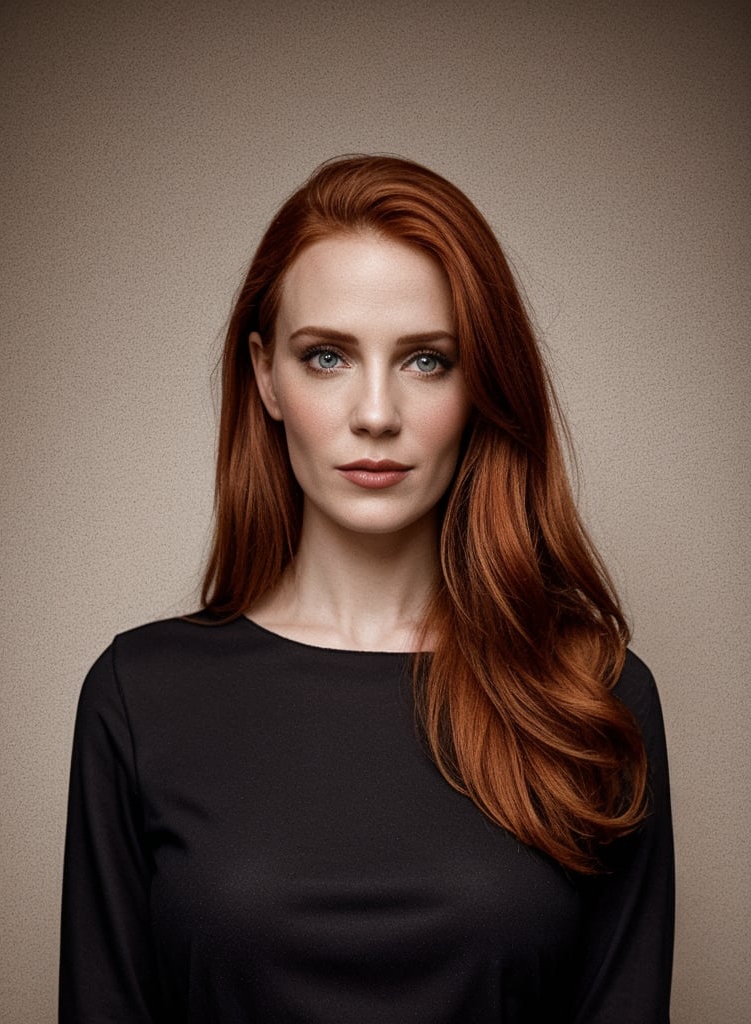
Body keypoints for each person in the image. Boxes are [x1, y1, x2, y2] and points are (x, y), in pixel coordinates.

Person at [59, 155, 674, 1022]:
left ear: (481, 386)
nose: (376, 412)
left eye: (426, 360)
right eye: (327, 358)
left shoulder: (591, 698)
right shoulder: (139, 696)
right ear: (266, 375)